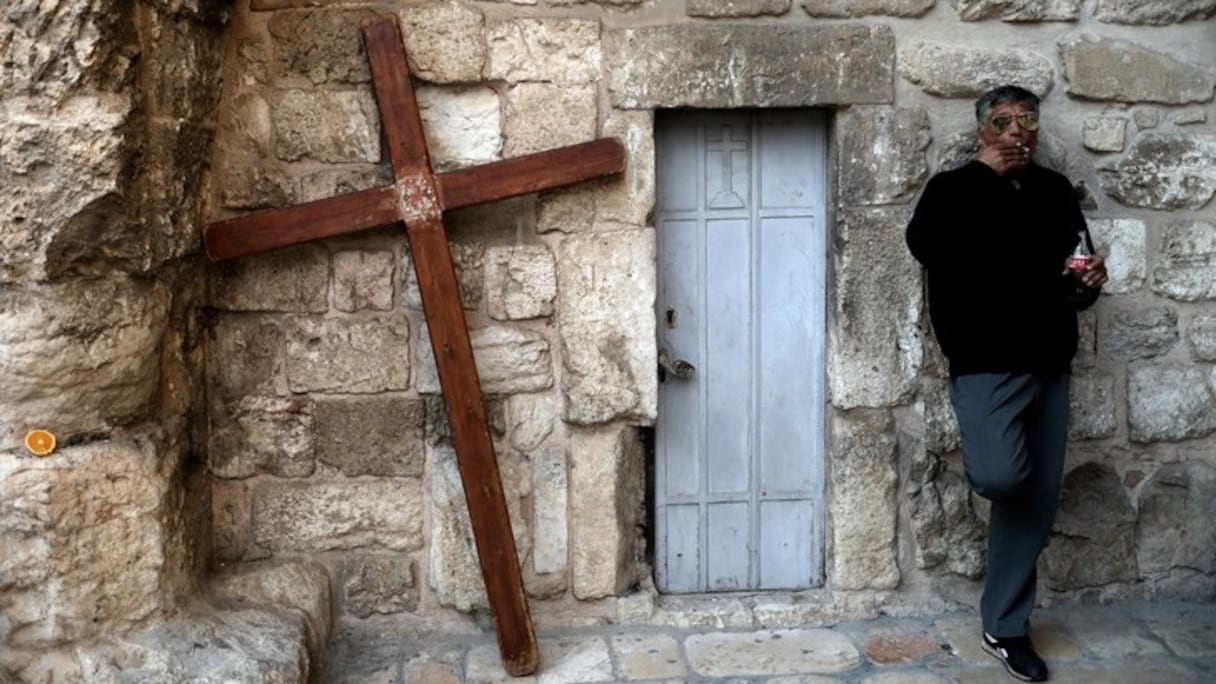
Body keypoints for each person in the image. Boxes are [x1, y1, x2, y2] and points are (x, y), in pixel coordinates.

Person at [905, 85, 1108, 682]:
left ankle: (1006, 625)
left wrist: (1089, 280)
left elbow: (1076, 275)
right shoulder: (951, 189)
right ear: (981, 132)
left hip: (1050, 360)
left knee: (1037, 500)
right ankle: (1005, 607)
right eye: (1003, 122)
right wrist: (982, 176)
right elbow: (925, 246)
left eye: (1027, 120)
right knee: (1001, 475)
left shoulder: (1052, 192)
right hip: (986, 361)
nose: (1017, 131)